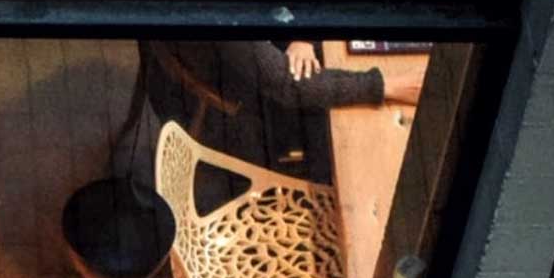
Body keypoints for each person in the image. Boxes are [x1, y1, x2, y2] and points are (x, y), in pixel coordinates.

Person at [138, 39, 423, 194]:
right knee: (370, 166)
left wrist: (301, 34)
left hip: (259, 68)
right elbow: (285, 85)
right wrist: (387, 86)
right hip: (247, 107)